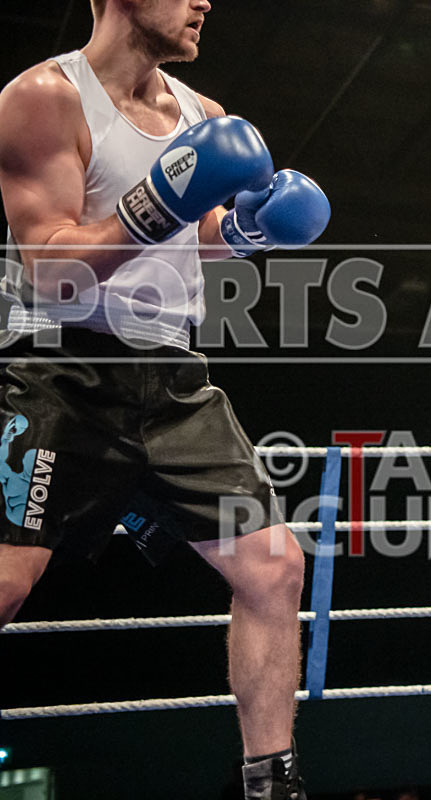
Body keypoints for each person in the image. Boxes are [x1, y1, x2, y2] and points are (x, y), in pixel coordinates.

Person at [0, 2, 330, 798]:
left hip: (176, 377)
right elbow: (50, 266)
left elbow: (195, 233)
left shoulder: (202, 113)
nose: (203, 2)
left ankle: (272, 786)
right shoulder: (44, 97)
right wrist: (158, 200)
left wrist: (249, 228)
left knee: (274, 567)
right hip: (61, 370)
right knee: (6, 581)